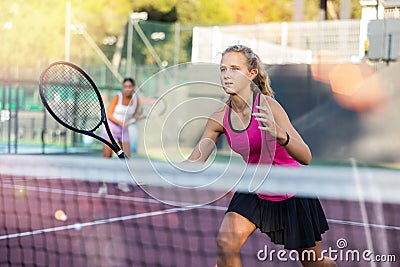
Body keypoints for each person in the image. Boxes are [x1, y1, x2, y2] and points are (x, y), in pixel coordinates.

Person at [187, 45, 338, 267]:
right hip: (254, 187)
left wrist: (279, 135)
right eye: (223, 69)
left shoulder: (269, 107)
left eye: (235, 69)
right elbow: (193, 162)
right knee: (226, 243)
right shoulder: (219, 118)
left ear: (251, 74)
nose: (227, 75)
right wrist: (144, 171)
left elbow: (306, 157)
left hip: (292, 190)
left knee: (314, 263)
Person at [97, 77, 141, 195]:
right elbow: (109, 114)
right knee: (107, 157)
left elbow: (135, 114)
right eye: (125, 86)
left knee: (126, 158)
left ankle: (122, 182)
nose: (127, 89)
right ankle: (103, 185)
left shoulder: (136, 99)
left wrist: (137, 117)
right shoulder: (117, 97)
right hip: (110, 129)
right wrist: (121, 123)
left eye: (129, 86)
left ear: (133, 88)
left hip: (124, 130)